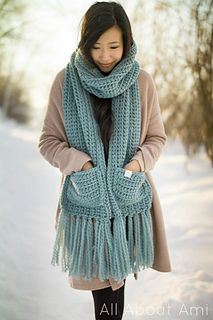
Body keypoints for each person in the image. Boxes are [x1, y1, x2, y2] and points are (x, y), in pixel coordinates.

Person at [38, 1, 172, 319]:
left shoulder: (143, 82)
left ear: (127, 41)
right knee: (106, 291)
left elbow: (157, 139)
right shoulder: (65, 82)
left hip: (128, 198)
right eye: (96, 46)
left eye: (113, 45)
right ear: (85, 45)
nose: (105, 55)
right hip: (88, 202)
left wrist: (136, 165)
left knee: (116, 285)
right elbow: (48, 142)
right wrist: (81, 164)